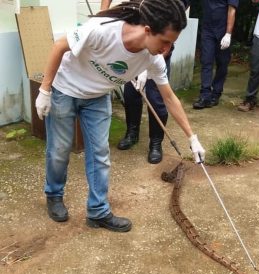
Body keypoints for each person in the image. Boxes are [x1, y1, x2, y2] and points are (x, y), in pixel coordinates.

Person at [35, 0, 205, 232]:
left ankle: (98, 211)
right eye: (164, 42)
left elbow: (169, 97)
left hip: (97, 97)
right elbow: (59, 46)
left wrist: (191, 137)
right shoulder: (103, 29)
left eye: (171, 44)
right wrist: (45, 90)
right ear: (147, 30)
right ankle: (54, 194)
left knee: (100, 154)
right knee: (59, 150)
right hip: (66, 89)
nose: (166, 50)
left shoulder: (153, 59)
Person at [101, 0, 191, 164]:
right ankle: (132, 132)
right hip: (136, 44)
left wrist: (146, 66)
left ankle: (156, 142)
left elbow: (165, 42)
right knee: (131, 92)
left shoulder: (170, 13)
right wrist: (103, 14)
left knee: (157, 97)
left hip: (157, 45)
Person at [193, 0, 239, 110]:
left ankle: (216, 93)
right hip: (208, 29)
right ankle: (205, 95)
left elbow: (232, 10)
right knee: (206, 60)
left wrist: (228, 34)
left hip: (223, 29)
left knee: (222, 63)